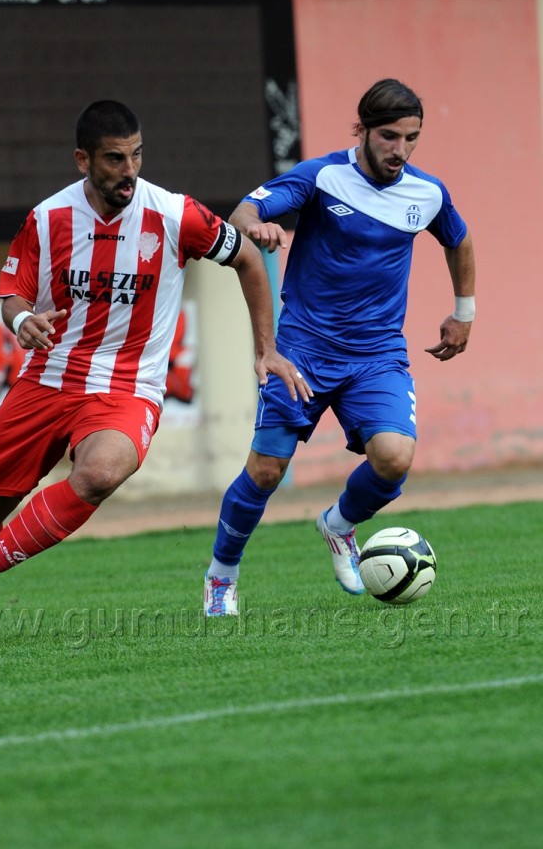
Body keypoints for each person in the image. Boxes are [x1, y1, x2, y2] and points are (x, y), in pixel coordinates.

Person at [0, 99, 311, 648]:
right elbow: (13, 292)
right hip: (48, 378)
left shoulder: (173, 214)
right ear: (83, 160)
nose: (130, 171)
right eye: (115, 159)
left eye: (137, 155)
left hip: (128, 387)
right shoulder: (48, 219)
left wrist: (266, 348)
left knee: (100, 471)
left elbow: (244, 259)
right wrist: (22, 318)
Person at [203, 78, 476, 616]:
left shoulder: (427, 193)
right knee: (265, 472)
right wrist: (259, 229)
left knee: (394, 458)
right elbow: (242, 214)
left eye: (411, 138)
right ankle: (221, 576)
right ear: (364, 130)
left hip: (377, 355)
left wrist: (463, 314)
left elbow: (459, 239)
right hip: (302, 349)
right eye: (390, 137)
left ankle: (340, 525)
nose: (400, 150)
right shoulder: (322, 177)